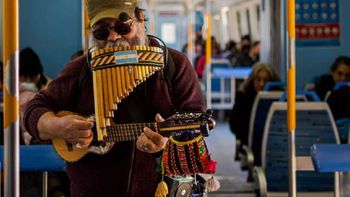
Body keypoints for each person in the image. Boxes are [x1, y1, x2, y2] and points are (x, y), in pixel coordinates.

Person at [22, 0, 204, 196]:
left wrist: (167, 146)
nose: (114, 36)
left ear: (141, 19)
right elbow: (33, 111)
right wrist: (58, 126)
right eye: (101, 31)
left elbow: (195, 133)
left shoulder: (175, 66)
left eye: (122, 26)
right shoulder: (82, 69)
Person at [229, 62, 280, 152]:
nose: (261, 84)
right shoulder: (243, 96)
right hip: (250, 143)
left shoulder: (279, 98)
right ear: (252, 80)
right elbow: (234, 124)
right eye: (258, 80)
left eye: (265, 80)